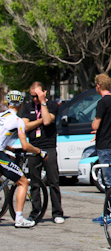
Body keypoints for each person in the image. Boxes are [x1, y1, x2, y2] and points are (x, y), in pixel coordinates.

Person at [21, 81, 64, 224]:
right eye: (32, 96)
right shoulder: (28, 107)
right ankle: (35, 211)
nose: (34, 99)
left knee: (53, 181)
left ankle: (57, 212)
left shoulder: (51, 105)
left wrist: (42, 102)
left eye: (37, 96)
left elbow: (47, 121)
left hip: (49, 146)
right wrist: (39, 120)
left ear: (44, 93)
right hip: (34, 147)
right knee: (34, 181)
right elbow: (25, 126)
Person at [1, 90, 43, 228]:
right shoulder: (18, 121)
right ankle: (19, 219)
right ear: (20, 105)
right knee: (23, 182)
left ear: (7, 102)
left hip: (3, 151)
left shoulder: (1, 115)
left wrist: (8, 148)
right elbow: (25, 145)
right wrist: (39, 152)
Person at [92, 74, 111, 191]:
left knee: (109, 180)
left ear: (98, 86)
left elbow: (95, 124)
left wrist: (96, 128)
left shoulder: (103, 102)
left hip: (104, 143)